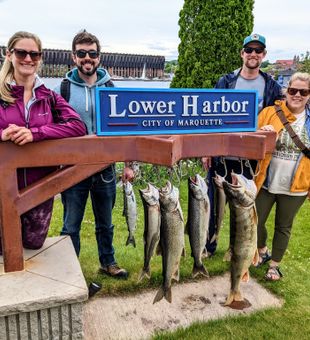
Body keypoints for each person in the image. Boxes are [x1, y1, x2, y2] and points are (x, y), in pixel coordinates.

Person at [54, 30, 134, 279]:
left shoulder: (111, 88)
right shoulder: (62, 89)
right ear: (73, 56)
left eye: (92, 54)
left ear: (99, 57)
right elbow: (53, 129)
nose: (87, 58)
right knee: (71, 224)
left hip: (105, 169)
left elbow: (125, 129)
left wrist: (128, 164)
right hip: (72, 169)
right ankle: (70, 269)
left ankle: (108, 262)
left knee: (105, 222)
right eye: (81, 53)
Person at [0, 31, 86, 253]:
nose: (28, 59)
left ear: (40, 59)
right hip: (4, 186)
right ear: (9, 55)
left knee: (32, 244)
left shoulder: (48, 96)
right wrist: (2, 134)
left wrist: (35, 133)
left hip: (40, 188)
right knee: (3, 248)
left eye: (34, 54)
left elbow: (77, 126)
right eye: (21, 52)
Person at [204, 33, 283, 256]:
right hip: (222, 154)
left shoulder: (272, 86)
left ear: (264, 55)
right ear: (242, 53)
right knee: (213, 203)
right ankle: (208, 247)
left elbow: (279, 116)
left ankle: (236, 249)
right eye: (249, 50)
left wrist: (270, 127)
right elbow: (211, 117)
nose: (253, 54)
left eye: (258, 50)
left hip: (250, 160)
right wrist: (207, 150)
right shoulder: (226, 81)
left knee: (243, 208)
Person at [255, 72, 310, 281]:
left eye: (303, 92)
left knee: (283, 226)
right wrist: (262, 132)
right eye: (293, 90)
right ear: (286, 91)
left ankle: (274, 265)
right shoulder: (270, 112)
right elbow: (251, 138)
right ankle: (261, 251)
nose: (297, 95)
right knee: (256, 221)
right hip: (266, 181)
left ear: (309, 94)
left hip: (297, 185)